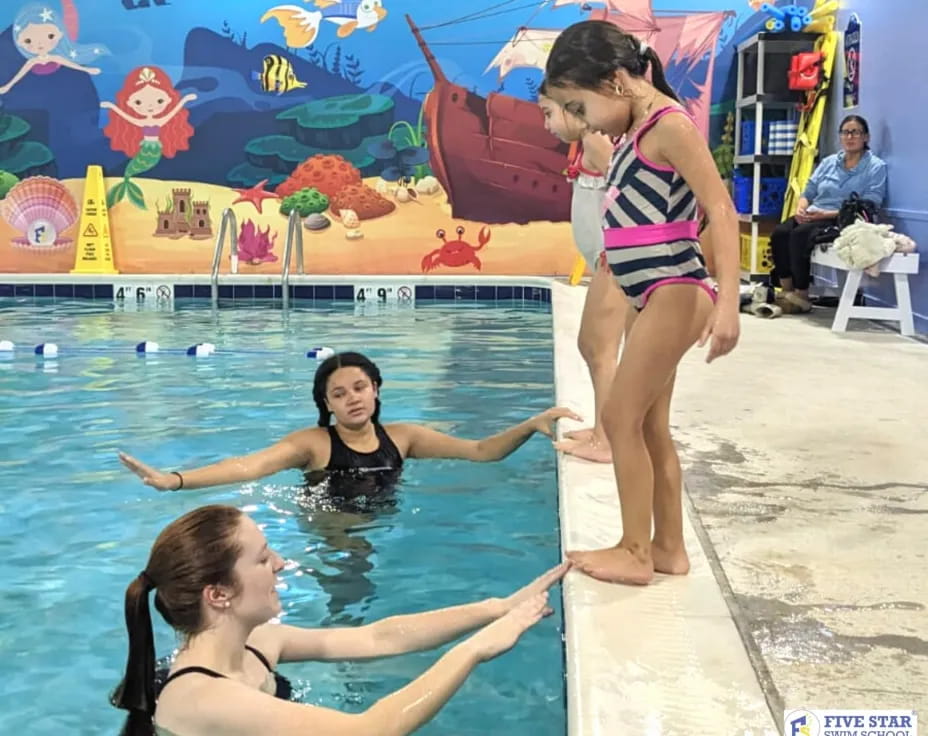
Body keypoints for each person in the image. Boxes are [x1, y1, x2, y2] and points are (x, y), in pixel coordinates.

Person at [543, 21, 740, 585]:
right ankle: (668, 548)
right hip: (648, 292)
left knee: (619, 418)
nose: (580, 121)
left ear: (616, 81)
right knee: (651, 427)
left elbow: (720, 210)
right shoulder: (635, 133)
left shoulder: (669, 126)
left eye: (579, 106)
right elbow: (641, 209)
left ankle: (633, 552)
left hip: (673, 290)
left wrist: (728, 305)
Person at [111, 504, 569, 735]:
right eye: (263, 558)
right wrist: (476, 649)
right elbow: (371, 731)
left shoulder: (260, 646)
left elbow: (379, 638)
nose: (281, 564)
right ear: (219, 595)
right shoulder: (199, 697)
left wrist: (497, 607)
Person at [119, 351, 579, 493]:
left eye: (360, 387)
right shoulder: (313, 445)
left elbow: (480, 452)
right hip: (331, 524)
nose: (353, 399)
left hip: (381, 519)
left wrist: (529, 424)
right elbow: (248, 467)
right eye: (339, 394)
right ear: (327, 404)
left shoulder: (405, 437)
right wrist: (173, 480)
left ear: (376, 388)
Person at [538, 83, 628, 464]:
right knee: (595, 348)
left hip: (616, 257)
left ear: (574, 110)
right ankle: (603, 429)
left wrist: (616, 249)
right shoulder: (585, 141)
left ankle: (609, 440)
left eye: (547, 113)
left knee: (599, 349)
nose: (546, 125)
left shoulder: (595, 138)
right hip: (606, 259)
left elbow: (626, 186)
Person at [770, 114, 887, 313]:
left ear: (866, 137)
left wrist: (825, 214)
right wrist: (801, 206)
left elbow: (871, 202)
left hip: (843, 218)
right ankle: (786, 290)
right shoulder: (829, 162)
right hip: (814, 212)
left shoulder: (875, 166)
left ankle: (802, 294)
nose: (850, 137)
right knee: (780, 233)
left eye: (856, 132)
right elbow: (809, 190)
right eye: (845, 132)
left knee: (800, 235)